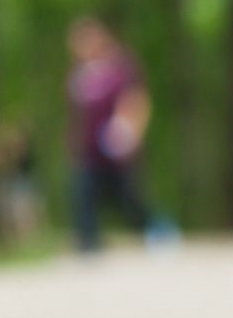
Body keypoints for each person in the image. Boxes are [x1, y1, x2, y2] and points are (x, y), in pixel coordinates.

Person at [66, 16, 177, 252]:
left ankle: (158, 227)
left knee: (128, 203)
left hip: (118, 150)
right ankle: (89, 245)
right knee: (83, 195)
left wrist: (130, 131)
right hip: (89, 152)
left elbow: (137, 100)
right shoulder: (79, 74)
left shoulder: (121, 67)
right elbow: (77, 113)